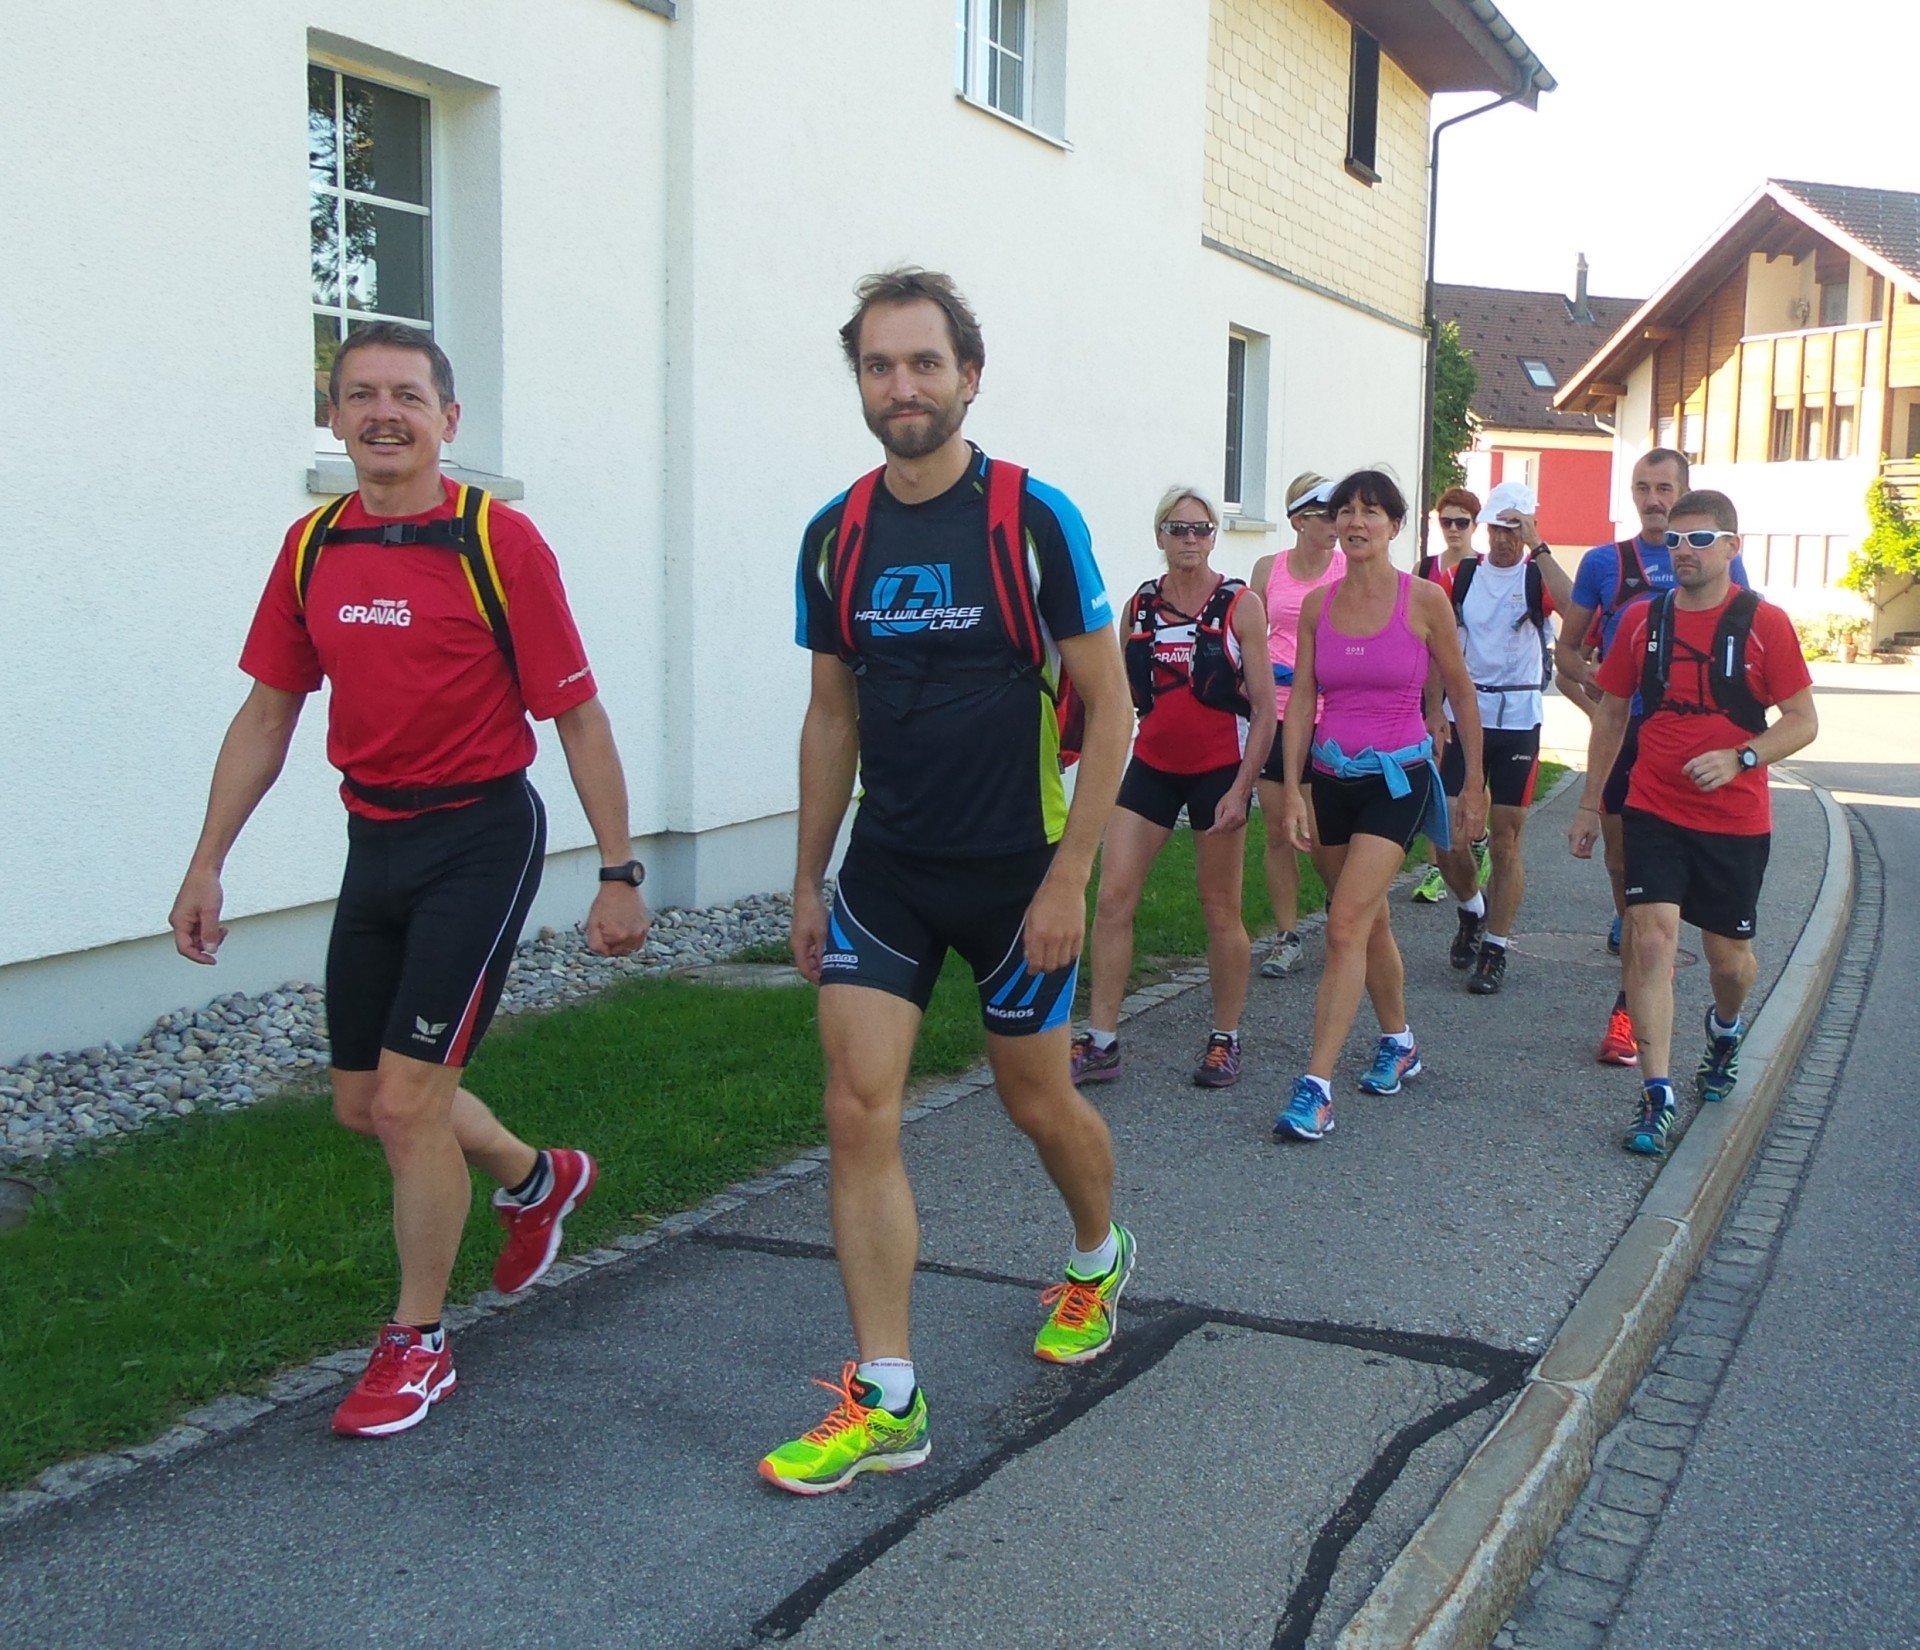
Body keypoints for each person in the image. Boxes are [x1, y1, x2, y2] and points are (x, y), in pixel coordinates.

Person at [168, 322, 651, 1439]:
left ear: (449, 421)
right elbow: (269, 712)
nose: (384, 413)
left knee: (406, 1102)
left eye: (407, 395)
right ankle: (538, 1180)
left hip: (481, 834)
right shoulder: (310, 548)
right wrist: (207, 861)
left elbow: (577, 713)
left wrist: (619, 872)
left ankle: (418, 1344)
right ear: (333, 417)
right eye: (359, 395)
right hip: (374, 839)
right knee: (362, 1104)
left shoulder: (500, 543)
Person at [769, 268, 1133, 1495]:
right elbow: (831, 718)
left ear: (968, 376)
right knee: (856, 1110)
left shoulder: (1034, 519)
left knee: (1035, 1103)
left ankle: (1095, 1254)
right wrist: (809, 878)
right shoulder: (838, 535)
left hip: (1018, 872)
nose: (902, 386)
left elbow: (1110, 705)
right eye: (879, 365)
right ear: (860, 383)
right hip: (889, 872)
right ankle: (887, 1395)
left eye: (924, 363)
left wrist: (1070, 878)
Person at [1569, 490, 1815, 1155]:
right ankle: (1656, 1095)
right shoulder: (1644, 621)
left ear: (1733, 547)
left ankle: (1725, 1029)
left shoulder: (1767, 623)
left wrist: (1742, 757)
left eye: (1700, 540)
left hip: (1735, 818)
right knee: (1650, 939)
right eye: (1676, 540)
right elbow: (1613, 712)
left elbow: (1801, 721)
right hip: (1654, 805)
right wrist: (1592, 804)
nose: (1684, 551)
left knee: (1727, 961)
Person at [1271, 470, 1485, 1142]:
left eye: (1370, 512)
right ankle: (1401, 1042)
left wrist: (1473, 783)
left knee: (1342, 926)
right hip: (1333, 777)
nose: (1355, 523)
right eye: (1345, 513)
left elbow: (1462, 693)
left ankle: (1316, 1088)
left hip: (1401, 778)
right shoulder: (1316, 606)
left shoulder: (1424, 601)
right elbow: (1302, 700)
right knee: (1371, 923)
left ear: (1395, 526)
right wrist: (1296, 789)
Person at [1074, 485, 1275, 1088]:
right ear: (1159, 536)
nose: (1189, 540)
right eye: (1177, 529)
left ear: (1215, 536)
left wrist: (1243, 790)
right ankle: (1102, 1040)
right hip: (1154, 765)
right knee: (1111, 900)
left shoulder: (1241, 605)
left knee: (1220, 908)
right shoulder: (1139, 606)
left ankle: (1225, 1037)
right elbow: (1119, 703)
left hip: (1219, 771)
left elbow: (1265, 710)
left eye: (1200, 529)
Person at [1556, 450, 1751, 1063]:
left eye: (1664, 487)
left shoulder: (1721, 556)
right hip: (1628, 736)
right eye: (1642, 487)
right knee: (1626, 876)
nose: (1652, 499)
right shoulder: (1604, 564)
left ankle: (1681, 1004)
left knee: (1718, 940)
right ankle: (1630, 1003)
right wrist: (1598, 695)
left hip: (1701, 748)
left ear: (1686, 493)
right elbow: (1566, 652)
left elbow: (1748, 638)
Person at [1431, 480, 1573, 993]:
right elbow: (1434, 642)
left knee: (1508, 839)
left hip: (1517, 716)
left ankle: (1496, 945)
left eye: (1515, 528)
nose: (1504, 538)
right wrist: (1432, 708)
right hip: (1465, 710)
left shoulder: (1538, 577)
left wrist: (1542, 547)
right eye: (1498, 527)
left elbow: (1581, 610)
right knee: (1445, 829)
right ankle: (1471, 908)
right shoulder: (1462, 577)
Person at [1250, 473, 1345, 978]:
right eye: (1327, 515)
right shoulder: (1268, 569)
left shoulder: (1348, 568)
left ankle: (1340, 906)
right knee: (1277, 829)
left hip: (1331, 713)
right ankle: (1287, 935)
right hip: (1279, 709)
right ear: (1298, 521)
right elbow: (1248, 634)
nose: (1337, 524)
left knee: (1324, 830)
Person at [1409, 487, 1486, 904]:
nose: (1454, 530)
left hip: (1472, 678)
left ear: (1475, 526)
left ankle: (1479, 834)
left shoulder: (1483, 568)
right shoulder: (1425, 567)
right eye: (1447, 522)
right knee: (1435, 768)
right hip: (1429, 680)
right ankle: (1436, 864)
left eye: (1463, 522)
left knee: (1472, 766)